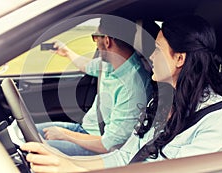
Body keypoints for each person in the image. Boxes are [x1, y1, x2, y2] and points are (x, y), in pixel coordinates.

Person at [22, 15, 222, 172]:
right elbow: (124, 157)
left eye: (157, 50)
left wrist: (75, 169)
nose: (151, 57)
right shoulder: (159, 105)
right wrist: (65, 162)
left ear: (179, 59)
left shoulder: (221, 120)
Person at [35, 15, 154, 156]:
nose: (95, 43)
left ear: (107, 41)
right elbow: (86, 65)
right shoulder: (110, 65)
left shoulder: (133, 87)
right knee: (28, 132)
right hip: (84, 131)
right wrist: (66, 52)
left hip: (98, 148)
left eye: (96, 37)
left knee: (34, 149)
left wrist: (65, 135)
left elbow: (109, 145)